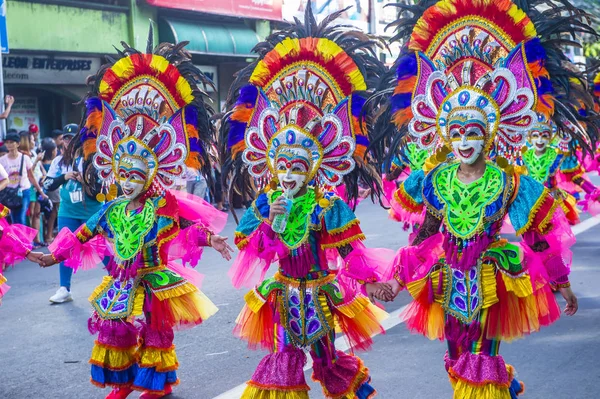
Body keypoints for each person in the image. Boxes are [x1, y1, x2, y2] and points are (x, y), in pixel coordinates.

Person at [368, 1, 592, 397]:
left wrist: (562, 283)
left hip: (491, 279)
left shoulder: (509, 182)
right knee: (457, 363)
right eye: (457, 133)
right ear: (446, 136)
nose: (465, 141)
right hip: (448, 280)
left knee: (480, 362)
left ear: (488, 134)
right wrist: (396, 280)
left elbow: (538, 236)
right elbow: (425, 235)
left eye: (473, 132)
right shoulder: (435, 180)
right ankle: (508, 386)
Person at [32, 36, 233, 399]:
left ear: (150, 176)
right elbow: (82, 234)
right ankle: (123, 383)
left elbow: (188, 226)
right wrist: (53, 256)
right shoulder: (112, 208)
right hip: (122, 276)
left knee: (156, 330)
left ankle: (157, 383)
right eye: (123, 175)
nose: (126, 183)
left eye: (135, 176)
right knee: (115, 329)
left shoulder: (161, 206)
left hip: (154, 277)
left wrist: (211, 238)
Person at [223, 4, 390, 398]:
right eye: (282, 167)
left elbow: (351, 251)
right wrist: (268, 220)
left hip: (320, 293)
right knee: (282, 361)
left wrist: (374, 284)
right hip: (282, 294)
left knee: (328, 360)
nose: (288, 176)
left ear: (313, 169)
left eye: (297, 168)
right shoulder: (265, 202)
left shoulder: (328, 206)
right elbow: (248, 247)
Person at [44, 127, 103, 304]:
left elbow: (101, 187)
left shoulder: (92, 158)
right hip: (67, 210)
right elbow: (48, 185)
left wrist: (85, 180)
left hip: (91, 210)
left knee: (102, 245)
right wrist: (65, 176)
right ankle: (64, 288)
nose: (68, 142)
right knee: (64, 246)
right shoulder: (59, 161)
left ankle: (118, 279)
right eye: (65, 138)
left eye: (72, 138)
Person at [0, 133, 47, 225]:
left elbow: (31, 176)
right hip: (8, 193)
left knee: (21, 217)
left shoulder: (24, 158)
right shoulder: (2, 160)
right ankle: (16, 239)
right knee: (11, 219)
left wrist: (40, 191)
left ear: (18, 144)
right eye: (7, 142)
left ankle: (22, 239)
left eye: (12, 142)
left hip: (24, 191)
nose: (9, 144)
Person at [20, 130, 46, 246]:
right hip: (30, 186)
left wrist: (44, 176)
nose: (34, 142)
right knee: (29, 214)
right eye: (31, 140)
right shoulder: (23, 156)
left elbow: (40, 169)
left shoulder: (33, 153)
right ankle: (29, 241)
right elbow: (28, 172)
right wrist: (36, 161)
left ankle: (37, 239)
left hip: (38, 185)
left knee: (37, 213)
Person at [40, 137, 58, 243]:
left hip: (44, 190)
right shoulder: (53, 163)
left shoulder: (41, 162)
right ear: (52, 151)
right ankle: (49, 235)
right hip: (54, 190)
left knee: (48, 214)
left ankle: (47, 235)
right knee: (54, 213)